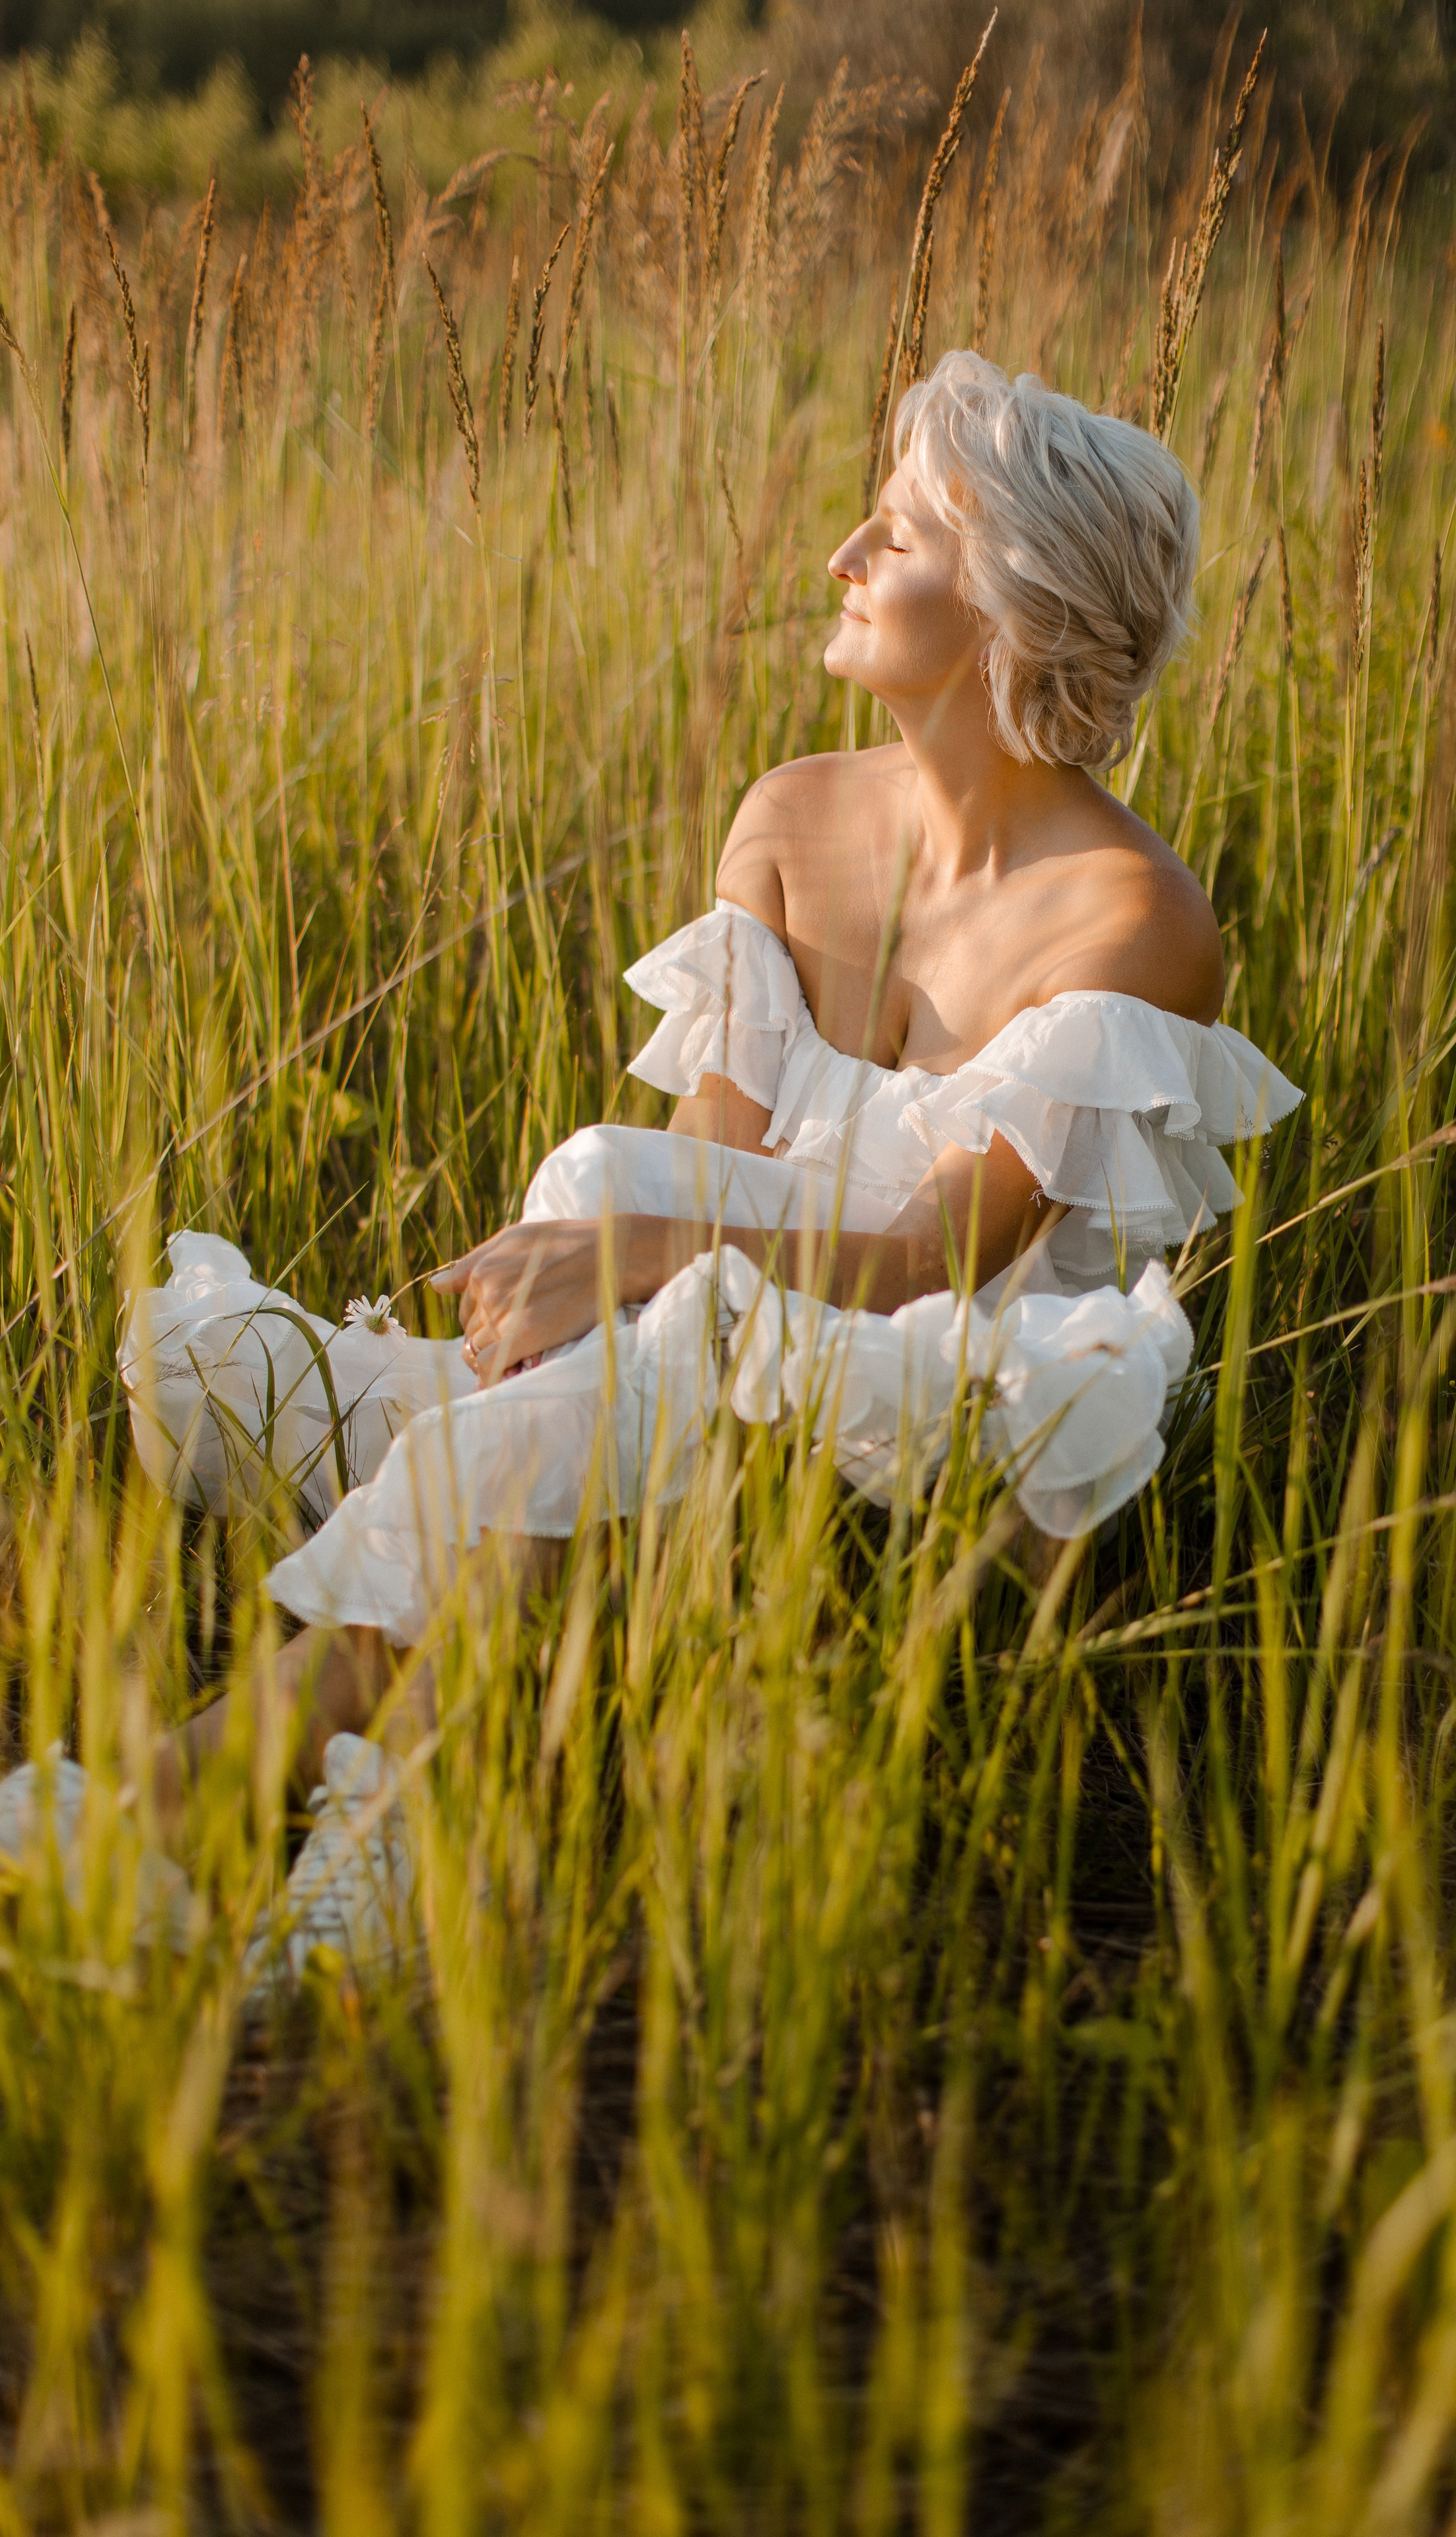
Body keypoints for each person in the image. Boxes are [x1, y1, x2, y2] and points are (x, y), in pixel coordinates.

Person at [1, 353, 1300, 1976]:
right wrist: (609, 1259)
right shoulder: (792, 812)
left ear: (1006, 608)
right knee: (622, 1212)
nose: (838, 556)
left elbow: (927, 1264)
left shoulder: (1134, 916)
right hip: (710, 1359)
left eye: (891, 537)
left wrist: (632, 1256)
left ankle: (174, 1811)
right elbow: (703, 1166)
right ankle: (392, 1822)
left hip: (949, 1387)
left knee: (641, 1290)